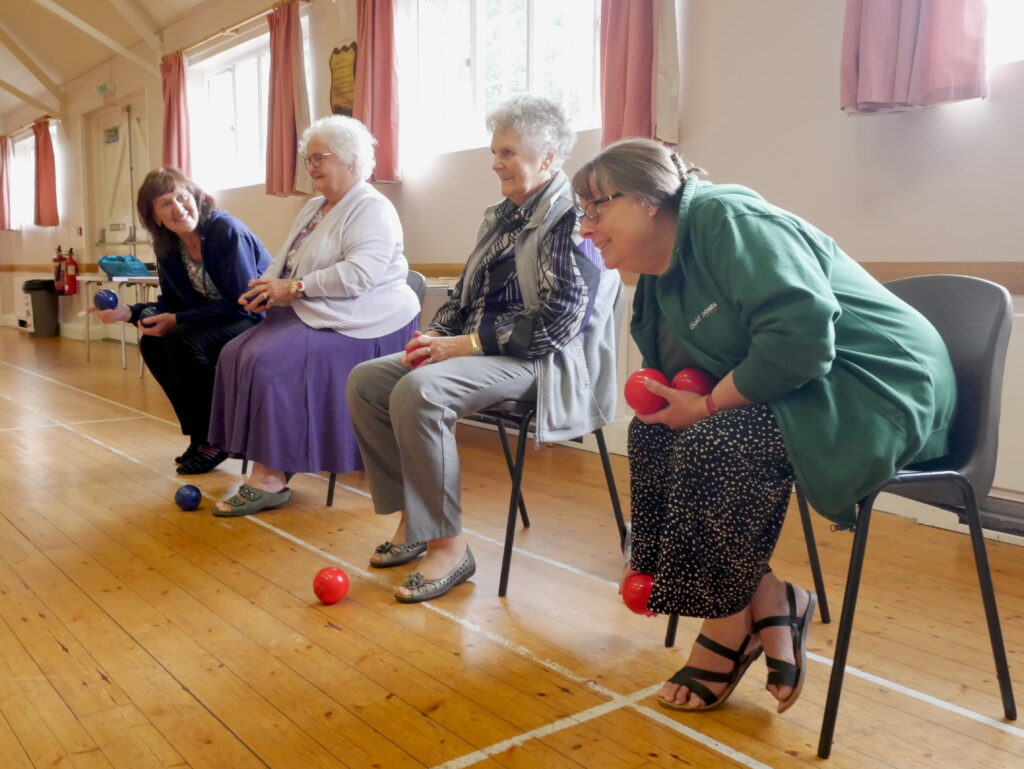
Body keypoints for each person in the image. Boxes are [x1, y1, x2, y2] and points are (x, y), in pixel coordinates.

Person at [572, 138, 956, 713]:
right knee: (651, 429)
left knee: (714, 438)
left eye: (596, 209)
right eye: (583, 214)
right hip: (809, 389)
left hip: (878, 387)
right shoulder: (657, 277)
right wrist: (681, 405)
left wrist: (703, 409)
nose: (586, 228)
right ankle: (765, 597)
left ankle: (727, 630)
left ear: (649, 199)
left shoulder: (728, 217)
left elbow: (800, 340)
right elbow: (682, 381)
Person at [346, 94, 618, 604]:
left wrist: (467, 344)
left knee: (420, 393)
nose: (496, 163)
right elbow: (464, 297)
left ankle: (450, 548)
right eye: (495, 152)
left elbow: (559, 323)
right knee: (368, 381)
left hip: (540, 362)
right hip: (479, 352)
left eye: (508, 152)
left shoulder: (569, 220)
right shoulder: (499, 216)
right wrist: (434, 337)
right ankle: (416, 521)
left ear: (549, 156)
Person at [208, 115, 420, 517]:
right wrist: (263, 288)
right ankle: (270, 463)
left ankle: (270, 477)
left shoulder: (374, 208)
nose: (311, 168)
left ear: (352, 161)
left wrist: (294, 288)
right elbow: (284, 260)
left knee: (268, 362)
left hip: (364, 321)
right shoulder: (312, 207)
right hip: (317, 310)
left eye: (319, 158)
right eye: (308, 160)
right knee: (234, 352)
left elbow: (359, 276)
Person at [89, 168, 272, 474]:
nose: (178, 207)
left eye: (181, 197)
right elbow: (172, 305)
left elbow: (244, 303)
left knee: (183, 340)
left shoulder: (226, 230)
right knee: (152, 342)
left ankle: (218, 438)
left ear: (196, 198)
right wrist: (130, 313)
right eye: (165, 203)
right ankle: (201, 436)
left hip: (256, 316)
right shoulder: (168, 247)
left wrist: (177, 319)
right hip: (218, 320)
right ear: (155, 216)